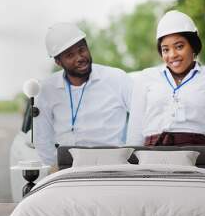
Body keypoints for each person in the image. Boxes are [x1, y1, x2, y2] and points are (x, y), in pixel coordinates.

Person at [126, 10, 205, 177]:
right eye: (165, 49)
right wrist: (132, 175)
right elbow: (135, 132)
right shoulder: (146, 77)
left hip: (197, 163)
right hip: (151, 161)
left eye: (179, 46)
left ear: (193, 46)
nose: (172, 55)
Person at [34, 23, 132, 165]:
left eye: (82, 50)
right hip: (67, 169)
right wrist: (53, 168)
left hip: (113, 165)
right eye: (70, 55)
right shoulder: (46, 90)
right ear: (58, 62)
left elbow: (140, 117)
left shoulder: (117, 79)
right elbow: (42, 138)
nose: (80, 57)